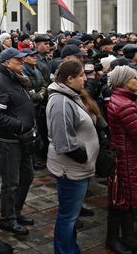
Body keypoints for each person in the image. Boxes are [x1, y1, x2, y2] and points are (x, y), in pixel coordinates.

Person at [46, 60, 100, 254]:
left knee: (71, 216)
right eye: (81, 76)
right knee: (67, 217)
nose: (85, 79)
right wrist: (85, 157)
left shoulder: (70, 95)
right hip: (70, 169)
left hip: (77, 169)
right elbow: (64, 143)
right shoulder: (60, 101)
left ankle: (70, 248)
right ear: (69, 79)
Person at [106, 65, 137, 254]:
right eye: (133, 78)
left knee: (125, 201)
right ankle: (114, 239)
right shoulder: (125, 105)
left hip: (128, 156)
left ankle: (128, 238)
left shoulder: (121, 99)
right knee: (121, 201)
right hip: (128, 158)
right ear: (123, 82)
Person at [0, 47, 36, 235]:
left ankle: (15, 212)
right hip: (9, 140)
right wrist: (20, 126)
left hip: (23, 138)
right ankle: (7, 219)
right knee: (10, 182)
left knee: (27, 176)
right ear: (7, 62)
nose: (22, 63)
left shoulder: (17, 77)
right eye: (18, 60)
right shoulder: (0, 82)